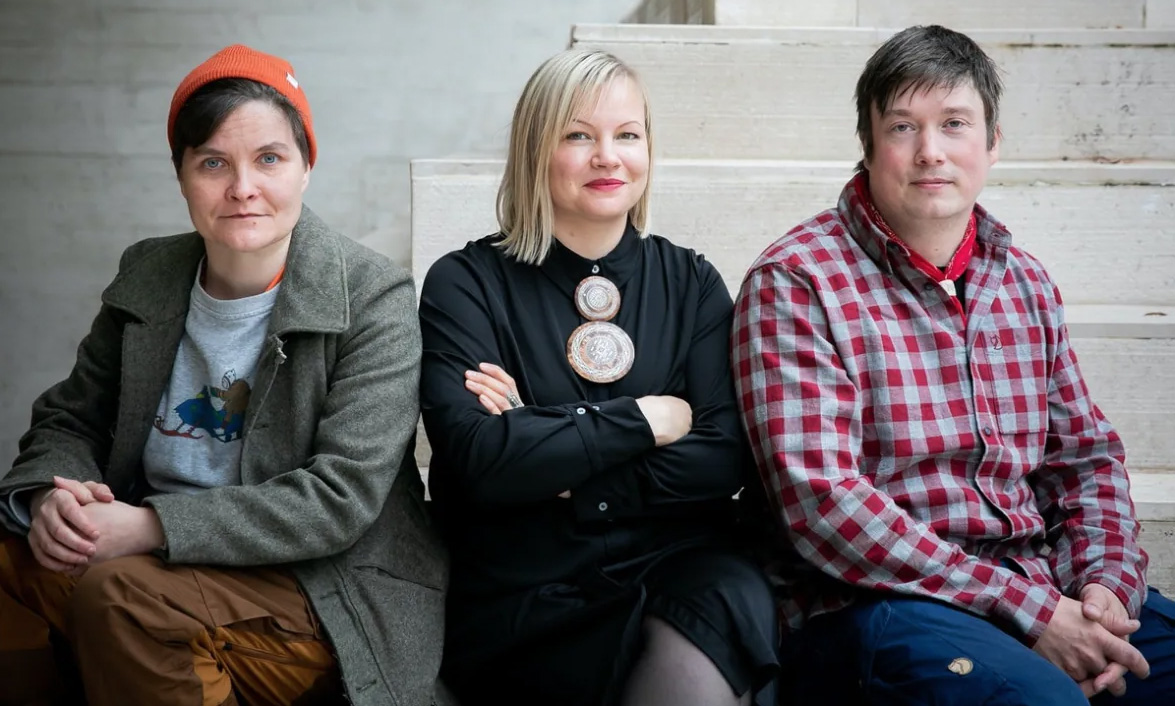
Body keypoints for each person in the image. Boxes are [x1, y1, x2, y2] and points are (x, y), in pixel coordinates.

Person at [731, 24, 1175, 705]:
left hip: (1038, 589)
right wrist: (1030, 616)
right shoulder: (797, 280)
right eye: (903, 126)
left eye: (954, 124)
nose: (930, 152)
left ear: (991, 143)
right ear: (868, 143)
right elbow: (823, 503)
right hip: (870, 604)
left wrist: (1101, 594)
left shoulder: (1022, 282)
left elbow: (1083, 462)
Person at [0, 44, 446, 706]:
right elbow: (71, 418)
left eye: (269, 158)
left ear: (305, 167)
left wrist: (149, 526)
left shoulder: (372, 297)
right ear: (181, 174)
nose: (243, 188)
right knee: (16, 561)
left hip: (318, 583)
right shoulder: (148, 274)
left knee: (121, 598)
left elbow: (338, 500)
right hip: (158, 565)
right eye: (213, 162)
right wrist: (51, 500)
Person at [418, 48, 779, 706]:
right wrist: (649, 419)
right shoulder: (465, 284)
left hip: (682, 560)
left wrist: (554, 454)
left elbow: (722, 458)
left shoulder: (691, 282)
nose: (607, 157)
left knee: (707, 633)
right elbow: (478, 459)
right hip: (528, 582)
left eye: (627, 135)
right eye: (578, 135)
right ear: (535, 148)